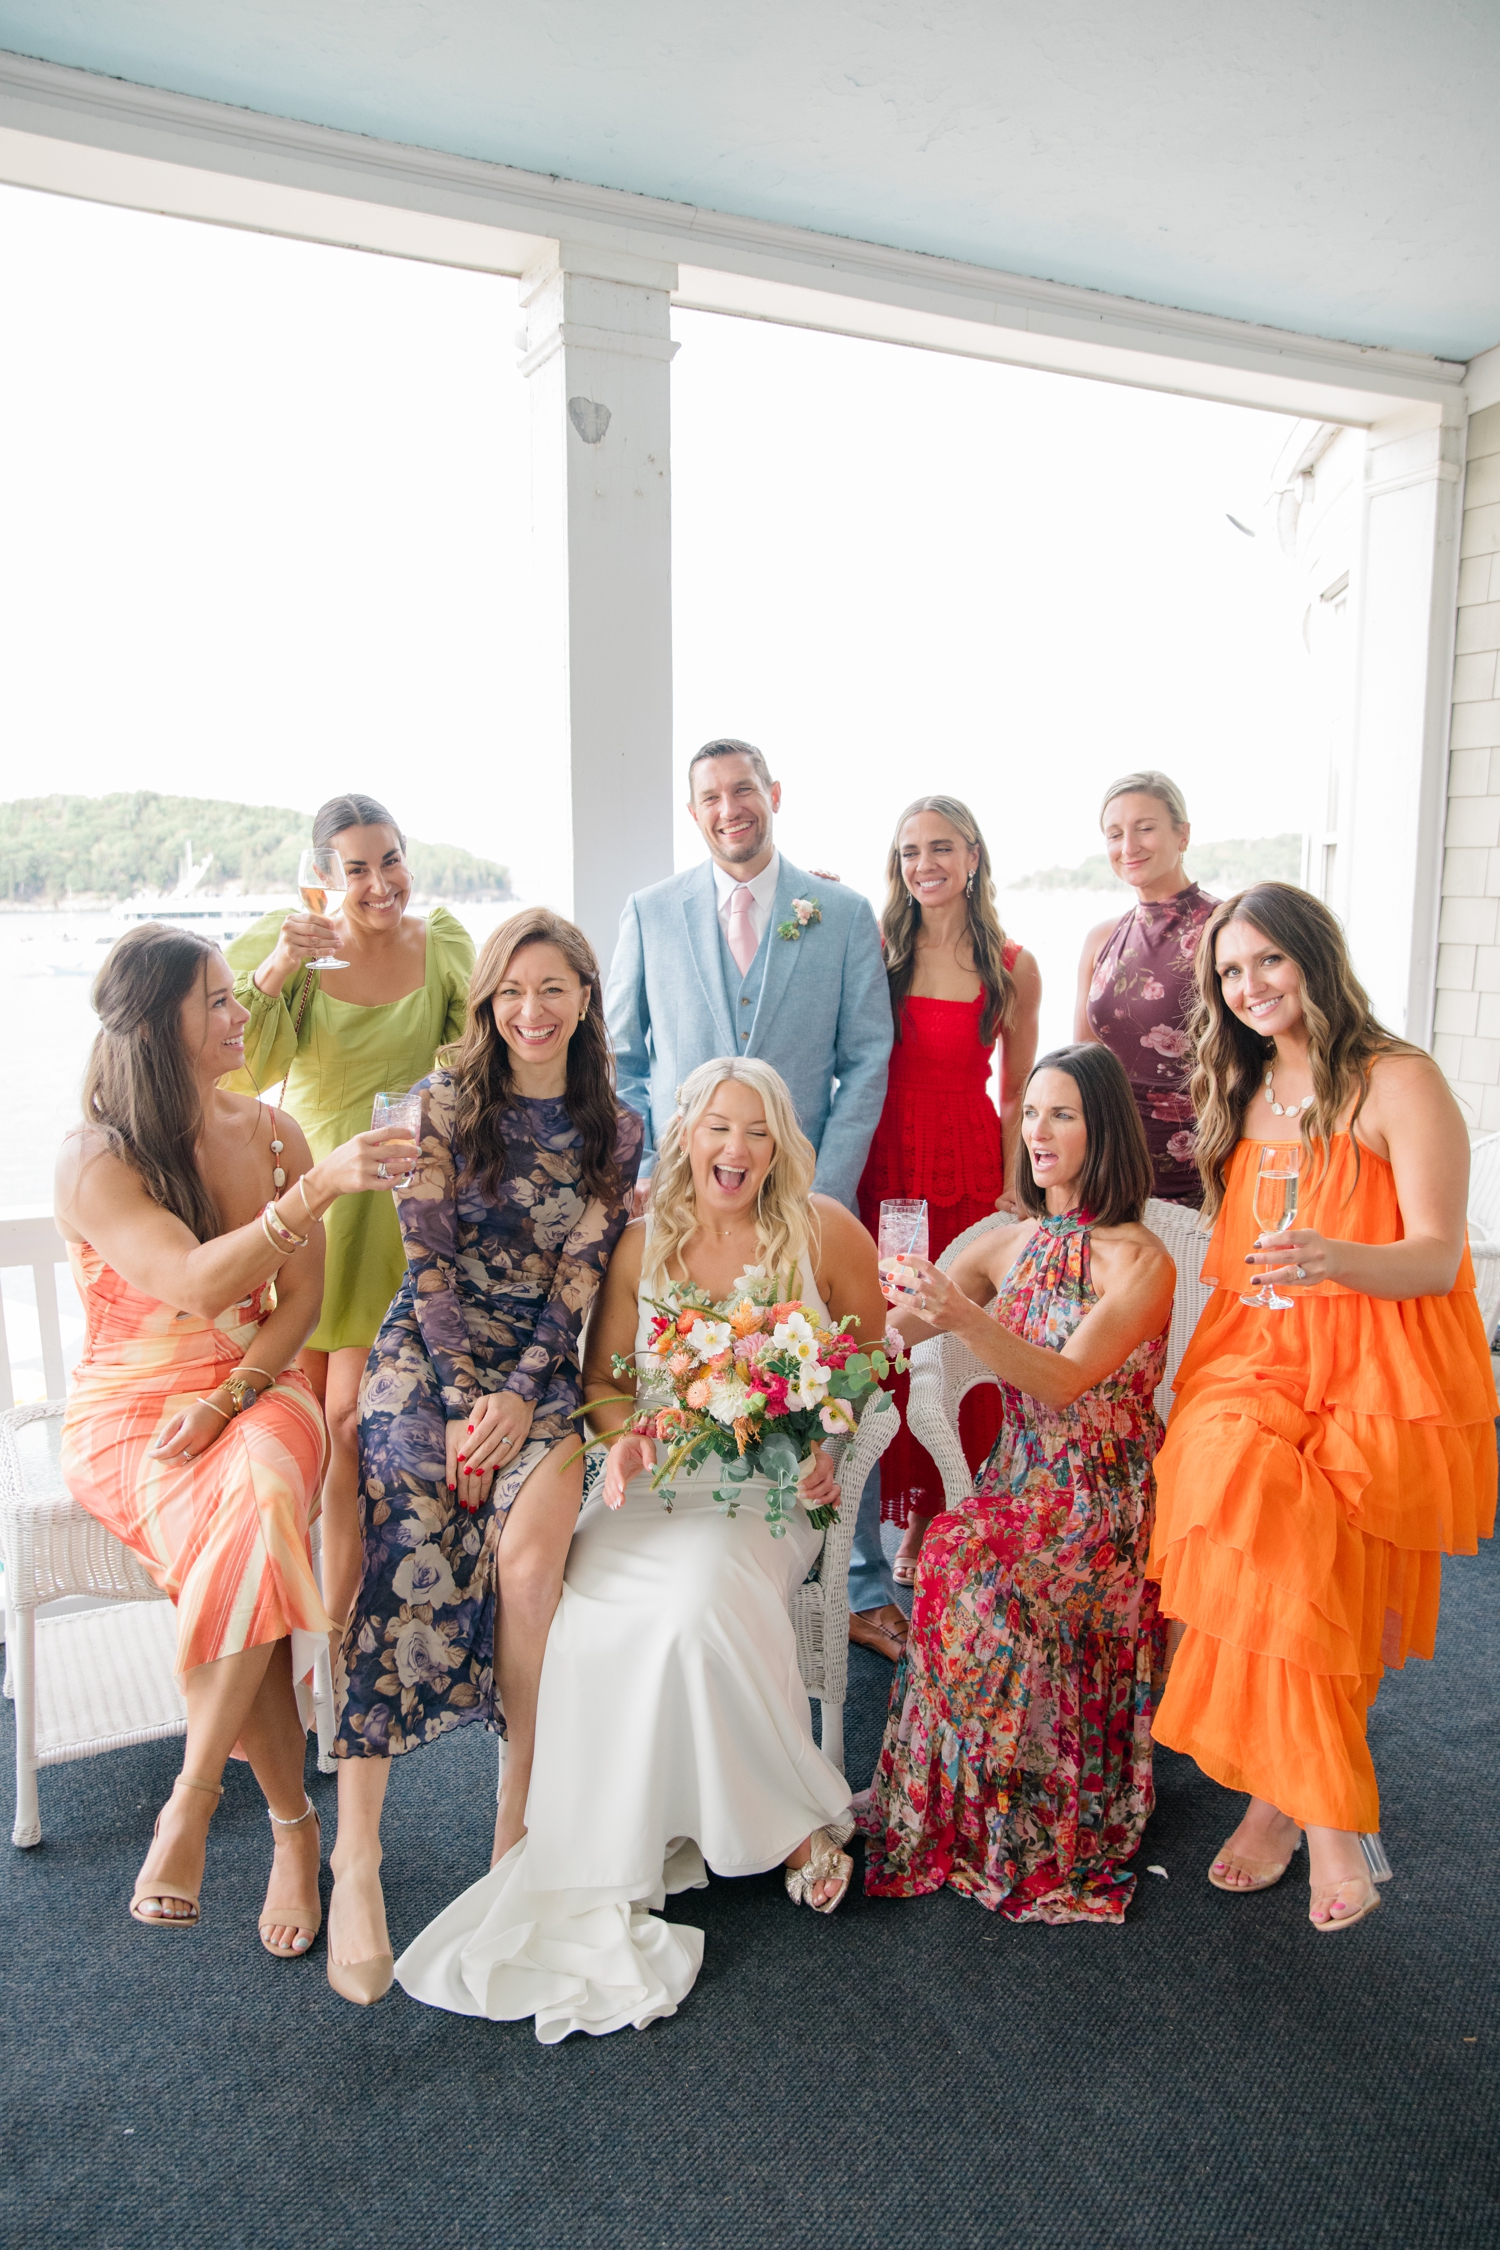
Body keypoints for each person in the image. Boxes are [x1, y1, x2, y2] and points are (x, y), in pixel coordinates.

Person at [393, 1057, 890, 2038]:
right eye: (717, 1129)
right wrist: (625, 1444)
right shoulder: (642, 1240)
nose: (735, 1150)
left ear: (779, 1144)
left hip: (770, 1487)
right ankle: (640, 1825)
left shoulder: (824, 1230)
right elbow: (611, 1381)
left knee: (695, 1607)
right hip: (657, 1482)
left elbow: (866, 1360)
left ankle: (786, 1829)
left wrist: (826, 1445)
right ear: (687, 1139)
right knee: (588, 1606)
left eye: (755, 1131)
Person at [56, 924, 419, 1955]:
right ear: (161, 1028)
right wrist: (312, 1193)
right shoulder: (96, 1160)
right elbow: (191, 1281)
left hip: (259, 1380)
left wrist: (232, 1399)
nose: (240, 1012)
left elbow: (295, 1302)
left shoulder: (271, 1131)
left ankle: (193, 1801)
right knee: (250, 1527)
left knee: (259, 1485)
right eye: (216, 1000)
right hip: (133, 1409)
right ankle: (296, 1832)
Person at [1149, 883, 1497, 1932]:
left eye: (1267, 963)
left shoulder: (1400, 1080)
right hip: (1260, 1355)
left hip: (1384, 1360)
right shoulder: (1245, 1091)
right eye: (1229, 973)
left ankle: (1280, 1804)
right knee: (1231, 1484)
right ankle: (1330, 1811)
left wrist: (1333, 1258)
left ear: (1313, 957)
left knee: (1314, 1541)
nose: (1248, 988)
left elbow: (1438, 1258)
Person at [326, 910, 642, 2006]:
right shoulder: (443, 1103)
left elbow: (578, 1287)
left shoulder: (619, 1128)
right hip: (431, 1357)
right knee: (405, 1536)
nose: (531, 1010)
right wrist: (464, 1403)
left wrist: (518, 1401)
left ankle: (518, 1820)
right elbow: (431, 1265)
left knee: (528, 1567)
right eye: (513, 989)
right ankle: (355, 1856)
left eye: (553, 988)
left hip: (540, 1378)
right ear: (488, 1002)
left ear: (586, 1000)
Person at [605, 736, 902, 1662]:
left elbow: (866, 1058)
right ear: (693, 812)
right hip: (691, 1202)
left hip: (796, 1199)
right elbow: (621, 1058)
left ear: (772, 795)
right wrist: (656, 1167)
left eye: (744, 790)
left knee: (815, 1372)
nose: (730, 808)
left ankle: (854, 1584)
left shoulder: (843, 912)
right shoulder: (650, 912)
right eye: (710, 796)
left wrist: (823, 1189)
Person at [861, 1043, 1173, 1922]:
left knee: (963, 1555)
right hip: (1021, 1478)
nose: (1038, 1131)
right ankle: (959, 1809)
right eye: (1031, 1112)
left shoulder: (1140, 1260)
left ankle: (1024, 1815)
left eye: (1062, 1114)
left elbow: (1065, 1380)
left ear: (1102, 1127)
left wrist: (964, 1315)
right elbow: (900, 1328)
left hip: (1098, 1496)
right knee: (958, 1552)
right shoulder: (1007, 1241)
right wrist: (807, 1365)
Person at [225, 793, 475, 1627]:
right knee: (306, 1436)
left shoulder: (442, 945)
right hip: (311, 1191)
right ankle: (294, 1635)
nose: (379, 884)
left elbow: (473, 1065)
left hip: (399, 1206)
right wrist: (275, 974)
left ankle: (334, 1640)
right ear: (325, 878)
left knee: (347, 1418)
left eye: (391, 860)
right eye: (357, 868)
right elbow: (235, 1072)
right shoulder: (287, 942)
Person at [857, 795, 1041, 1601]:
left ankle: (938, 1518)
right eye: (908, 852)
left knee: (954, 1335)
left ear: (973, 856)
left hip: (966, 1163)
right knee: (885, 1330)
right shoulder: (878, 949)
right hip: (888, 1159)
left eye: (940, 848)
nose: (923, 865)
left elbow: (1021, 1091)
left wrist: (1014, 1186)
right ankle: (877, 1517)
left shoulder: (1012, 963)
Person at [1073, 770, 1218, 1205]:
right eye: (1115, 834)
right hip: (1110, 1167)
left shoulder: (1224, 928)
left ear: (1183, 834)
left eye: (1145, 828)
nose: (1129, 846)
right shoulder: (1101, 938)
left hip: (1201, 1170)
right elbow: (1081, 1065)